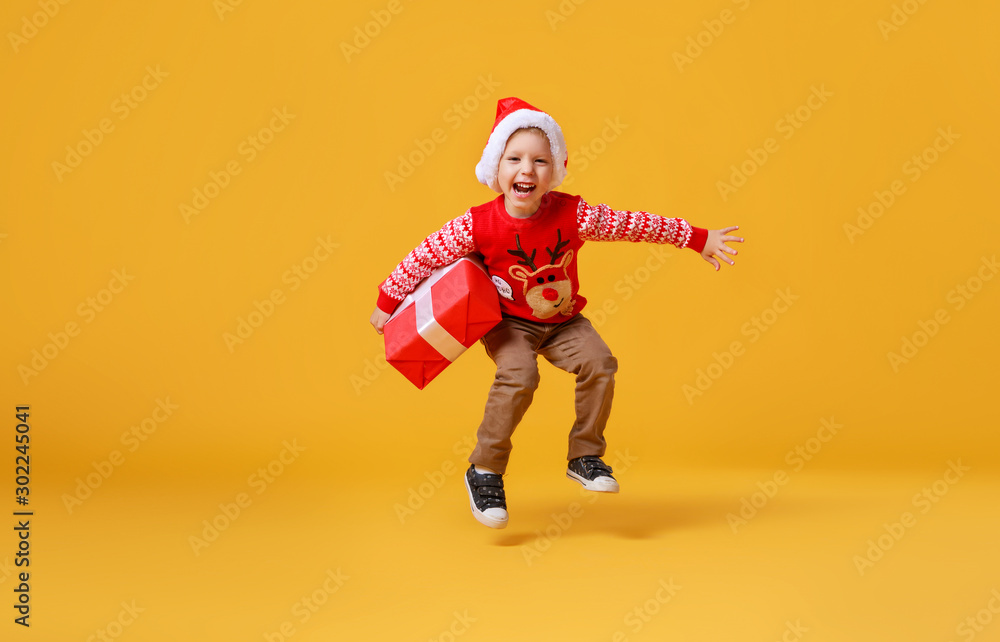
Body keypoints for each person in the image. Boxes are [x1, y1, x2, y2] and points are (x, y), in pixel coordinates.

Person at [370, 97, 743, 529]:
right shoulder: (475, 224)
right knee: (521, 375)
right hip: (508, 324)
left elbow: (635, 223)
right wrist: (387, 303)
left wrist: (697, 239)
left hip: (563, 321)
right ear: (497, 169)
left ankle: (585, 456)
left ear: (556, 169)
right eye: (514, 159)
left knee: (601, 362)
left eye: (540, 160)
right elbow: (424, 257)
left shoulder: (575, 215)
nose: (526, 169)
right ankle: (485, 469)